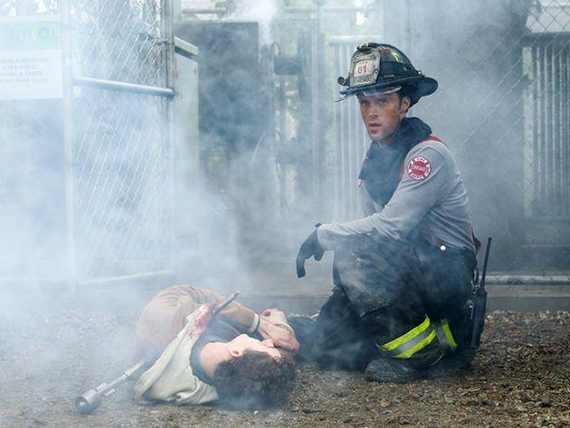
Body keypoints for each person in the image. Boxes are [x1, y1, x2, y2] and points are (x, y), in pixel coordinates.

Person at [296, 42, 480, 383]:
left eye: (383, 101)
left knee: (355, 252)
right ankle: (424, 337)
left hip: (445, 275)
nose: (371, 112)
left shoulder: (427, 156)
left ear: (404, 104)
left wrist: (324, 234)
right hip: (412, 275)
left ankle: (421, 355)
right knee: (329, 348)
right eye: (365, 103)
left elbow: (389, 228)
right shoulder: (377, 160)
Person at [134, 285, 299, 409]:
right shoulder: (239, 374)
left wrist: (257, 322)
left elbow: (191, 292)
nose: (268, 342)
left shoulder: (164, 323)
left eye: (266, 347)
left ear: (236, 353)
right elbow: (277, 366)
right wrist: (282, 326)